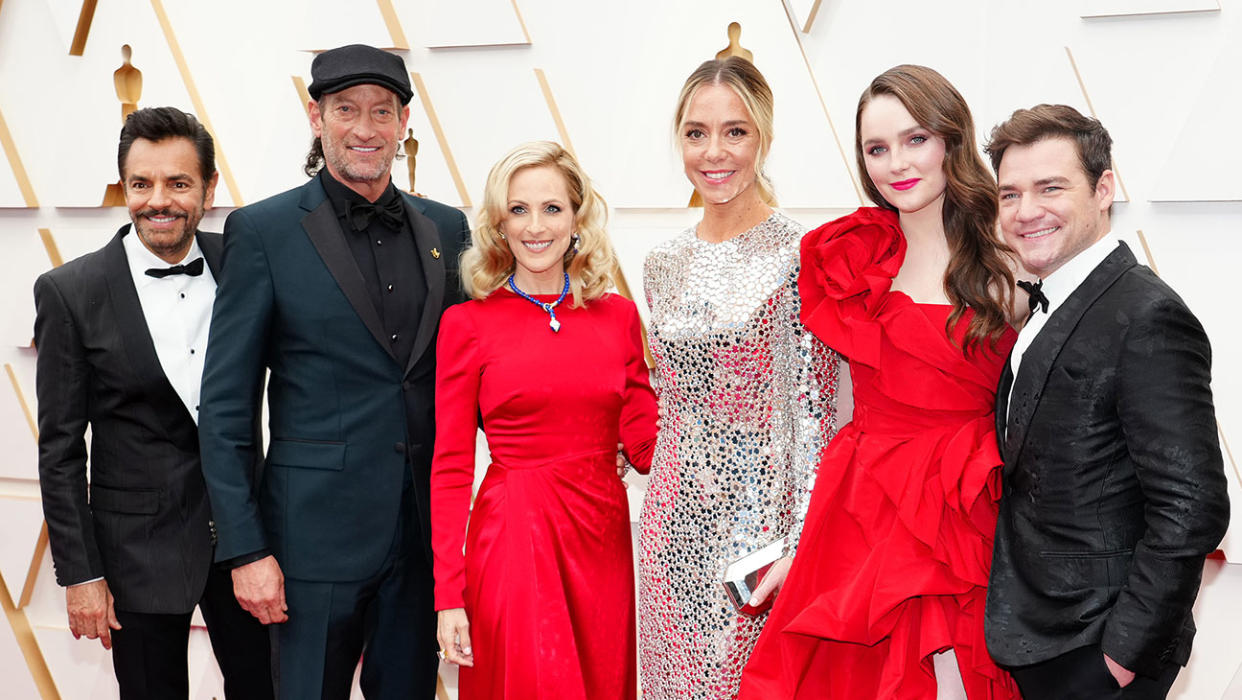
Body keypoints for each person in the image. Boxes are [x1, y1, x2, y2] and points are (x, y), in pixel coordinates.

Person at [197, 44, 470, 699]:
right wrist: (246, 550)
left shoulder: (450, 229)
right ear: (315, 117)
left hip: (419, 546)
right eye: (347, 109)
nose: (366, 128)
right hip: (305, 550)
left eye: (382, 111)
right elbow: (227, 404)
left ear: (405, 121)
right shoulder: (263, 231)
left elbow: (473, 371)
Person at [741, 64, 1022, 699]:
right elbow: (835, 412)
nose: (896, 162)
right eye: (876, 147)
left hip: (964, 509)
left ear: (952, 139)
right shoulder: (852, 256)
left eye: (915, 139)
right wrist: (804, 549)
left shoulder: (1011, 252)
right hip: (861, 512)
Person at [983, 104, 1230, 700]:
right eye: (1011, 194)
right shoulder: (1053, 302)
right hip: (1045, 636)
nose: (1027, 211)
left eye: (1051, 187)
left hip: (1099, 650)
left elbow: (1192, 507)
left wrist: (1121, 658)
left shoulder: (1148, 315)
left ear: (1103, 189)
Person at [34, 106, 272, 699]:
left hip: (248, 538)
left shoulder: (249, 263)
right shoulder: (71, 291)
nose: (157, 200)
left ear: (209, 188)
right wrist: (81, 573)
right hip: (134, 552)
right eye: (141, 184)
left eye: (178, 183)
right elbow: (60, 449)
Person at [638, 56, 838, 699]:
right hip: (670, 524)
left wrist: (798, 544)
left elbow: (814, 416)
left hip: (757, 531)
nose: (714, 152)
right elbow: (669, 400)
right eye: (696, 132)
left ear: (765, 138)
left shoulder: (800, 256)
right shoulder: (661, 263)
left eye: (736, 131)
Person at [432, 140, 657, 699]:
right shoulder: (468, 324)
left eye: (552, 208)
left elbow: (651, 444)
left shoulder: (619, 317)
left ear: (577, 218)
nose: (536, 226)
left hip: (602, 543)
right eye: (518, 209)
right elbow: (451, 469)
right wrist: (448, 596)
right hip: (514, 539)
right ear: (497, 224)